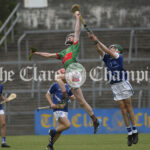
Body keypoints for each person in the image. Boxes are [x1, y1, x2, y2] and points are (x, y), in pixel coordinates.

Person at [31, 12, 100, 133]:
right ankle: (94, 119)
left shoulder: (75, 46)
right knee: (82, 102)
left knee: (58, 78)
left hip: (76, 74)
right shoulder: (63, 53)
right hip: (72, 78)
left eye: (71, 36)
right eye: (69, 37)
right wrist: (36, 53)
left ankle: (64, 97)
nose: (71, 37)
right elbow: (48, 55)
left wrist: (77, 18)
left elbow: (77, 31)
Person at [88, 33, 138, 146]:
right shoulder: (107, 58)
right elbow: (99, 50)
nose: (111, 49)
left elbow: (107, 50)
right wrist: (94, 41)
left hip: (123, 84)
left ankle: (135, 131)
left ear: (118, 51)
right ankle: (129, 133)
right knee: (123, 110)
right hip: (115, 86)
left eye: (113, 48)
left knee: (129, 108)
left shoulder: (118, 57)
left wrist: (98, 39)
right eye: (110, 48)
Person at [45, 78, 75, 150]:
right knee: (67, 125)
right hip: (58, 109)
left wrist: (72, 97)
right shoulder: (55, 85)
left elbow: (72, 97)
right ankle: (52, 131)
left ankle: (50, 145)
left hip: (65, 110)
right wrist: (51, 104)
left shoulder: (68, 86)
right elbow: (47, 94)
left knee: (60, 130)